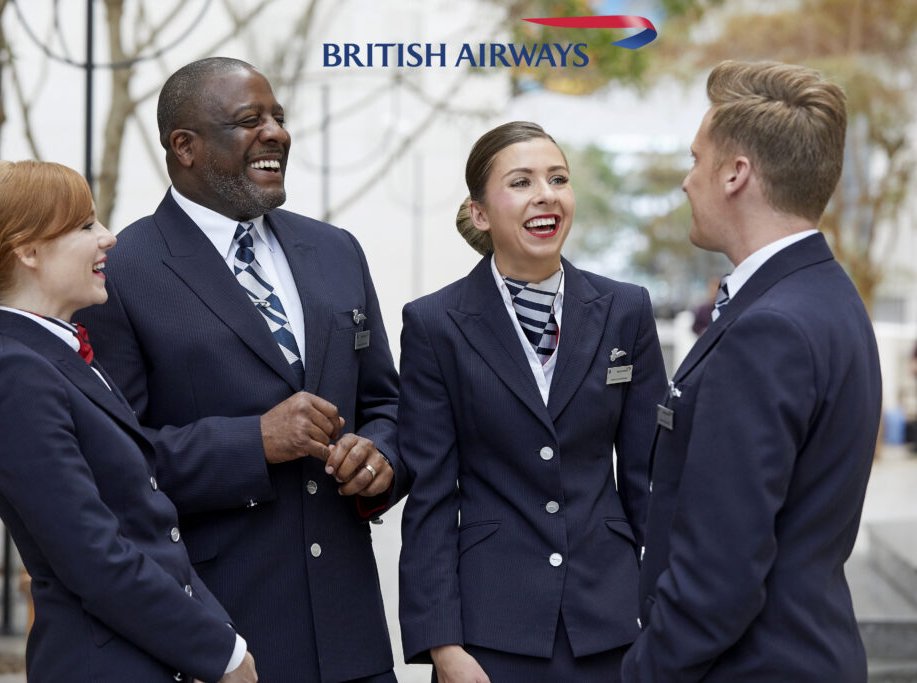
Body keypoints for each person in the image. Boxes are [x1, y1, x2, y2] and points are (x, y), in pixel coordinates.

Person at [76, 57, 404, 683]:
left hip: (352, 638)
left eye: (278, 117)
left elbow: (386, 403)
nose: (275, 132)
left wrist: (383, 456)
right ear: (185, 147)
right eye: (249, 120)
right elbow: (114, 466)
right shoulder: (120, 273)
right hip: (223, 641)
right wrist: (254, 443)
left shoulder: (337, 250)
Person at [0, 160, 257, 683]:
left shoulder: (60, 356)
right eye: (85, 226)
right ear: (28, 250)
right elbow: (93, 555)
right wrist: (219, 652)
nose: (107, 238)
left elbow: (148, 526)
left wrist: (221, 637)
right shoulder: (14, 375)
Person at [622, 61, 881, 682]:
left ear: (736, 173)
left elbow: (720, 573)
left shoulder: (769, 329)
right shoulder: (829, 296)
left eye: (695, 159)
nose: (686, 182)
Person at [397, 121, 668, 682]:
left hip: (613, 621)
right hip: (491, 631)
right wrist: (443, 644)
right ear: (479, 213)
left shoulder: (626, 309)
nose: (546, 194)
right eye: (521, 182)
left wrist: (665, 612)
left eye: (558, 179)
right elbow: (430, 497)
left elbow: (649, 480)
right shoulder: (433, 324)